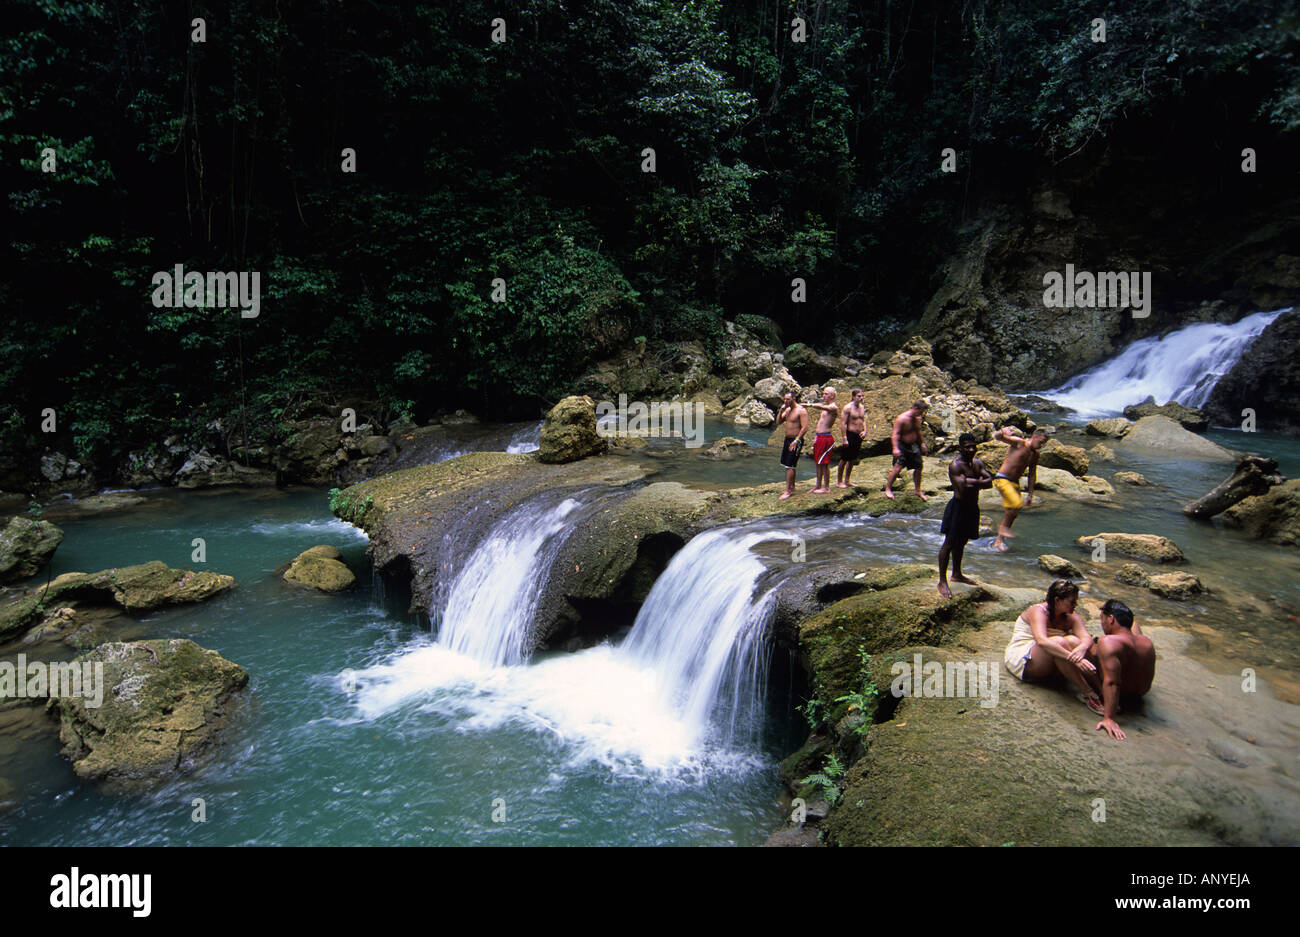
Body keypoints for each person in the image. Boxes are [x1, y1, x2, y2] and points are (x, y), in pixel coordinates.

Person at [1003, 579, 1105, 715]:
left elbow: (1086, 637)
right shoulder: (1038, 611)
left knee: (1075, 641)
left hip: (1050, 659)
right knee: (1059, 642)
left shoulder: (1070, 616)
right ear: (1057, 600)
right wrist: (1076, 659)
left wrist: (1081, 648)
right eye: (1072, 602)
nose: (1076, 605)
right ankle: (1088, 693)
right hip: (1024, 660)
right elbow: (1042, 641)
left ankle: (1101, 691)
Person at [1086, 599, 1155, 740]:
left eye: (1102, 619)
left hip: (1121, 695)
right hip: (1139, 695)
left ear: (1111, 619)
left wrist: (1109, 718)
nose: (1102, 623)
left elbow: (1112, 682)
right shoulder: (1146, 642)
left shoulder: (1108, 641)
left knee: (1085, 648)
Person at [938, 433, 993, 597]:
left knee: (962, 542)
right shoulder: (956, 465)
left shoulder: (977, 462)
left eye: (973, 446)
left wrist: (971, 481)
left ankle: (956, 574)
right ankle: (942, 581)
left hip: (972, 507)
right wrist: (978, 481)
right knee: (949, 543)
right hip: (958, 507)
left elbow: (990, 482)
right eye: (967, 447)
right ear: (960, 448)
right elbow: (962, 488)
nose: (971, 449)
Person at [989, 426, 1047, 552]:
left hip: (1014, 483)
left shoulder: (1035, 454)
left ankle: (999, 541)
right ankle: (1002, 529)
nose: (1041, 445)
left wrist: (1030, 494)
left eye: (1044, 443)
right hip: (1003, 478)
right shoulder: (1019, 443)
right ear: (1034, 437)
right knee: (1015, 504)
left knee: (1013, 512)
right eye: (1041, 442)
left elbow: (1032, 474)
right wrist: (1002, 431)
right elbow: (998, 437)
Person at [884, 400, 929, 501]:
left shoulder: (918, 418)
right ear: (915, 408)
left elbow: (918, 431)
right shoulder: (902, 419)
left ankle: (917, 489)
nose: (921, 414)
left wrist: (922, 443)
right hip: (902, 445)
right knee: (898, 467)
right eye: (921, 411)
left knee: (919, 467)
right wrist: (895, 448)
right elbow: (895, 434)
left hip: (913, 445)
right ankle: (888, 489)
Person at [775, 392, 809, 501]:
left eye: (788, 399)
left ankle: (787, 490)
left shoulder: (801, 410)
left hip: (796, 440)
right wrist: (781, 410)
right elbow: (779, 422)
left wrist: (797, 440)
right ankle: (792, 487)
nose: (786, 401)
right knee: (788, 464)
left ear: (794, 398)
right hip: (787, 439)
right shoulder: (788, 410)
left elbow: (805, 427)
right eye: (785, 399)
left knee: (790, 465)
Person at [806, 386, 840, 494]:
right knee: (818, 462)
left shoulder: (833, 407)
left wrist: (809, 404)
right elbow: (822, 406)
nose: (823, 395)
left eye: (826, 394)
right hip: (819, 437)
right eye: (823, 393)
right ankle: (818, 485)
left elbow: (822, 407)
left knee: (825, 463)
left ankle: (826, 487)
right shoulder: (826, 406)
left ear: (832, 395)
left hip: (826, 438)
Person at [836, 388, 865, 488]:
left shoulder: (862, 407)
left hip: (858, 435)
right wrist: (844, 438)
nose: (861, 398)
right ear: (853, 397)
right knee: (844, 458)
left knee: (852, 459)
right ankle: (839, 481)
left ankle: (847, 480)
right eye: (859, 396)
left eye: (862, 396)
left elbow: (863, 420)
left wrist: (864, 431)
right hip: (850, 434)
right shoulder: (847, 408)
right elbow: (843, 423)